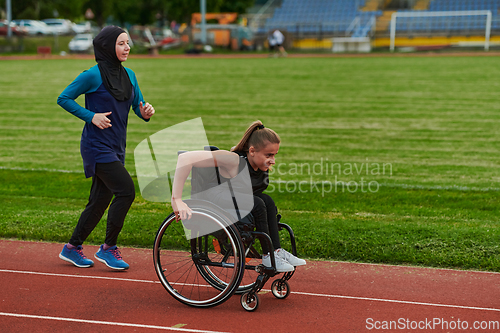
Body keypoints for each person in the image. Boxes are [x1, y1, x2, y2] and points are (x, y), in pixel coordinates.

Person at [57, 26, 155, 270]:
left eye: (128, 43)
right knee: (126, 190)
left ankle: (71, 248)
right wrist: (91, 116)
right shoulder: (92, 75)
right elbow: (64, 98)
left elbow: (137, 105)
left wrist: (145, 112)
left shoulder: (130, 75)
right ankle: (108, 248)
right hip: (96, 146)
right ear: (107, 46)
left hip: (117, 146)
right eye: (121, 43)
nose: (127, 47)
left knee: (99, 201)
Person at [172, 121, 306, 272]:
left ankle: (276, 251)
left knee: (267, 201)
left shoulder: (259, 165)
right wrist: (176, 199)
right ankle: (268, 256)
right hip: (212, 197)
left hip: (231, 198)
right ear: (252, 151)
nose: (273, 160)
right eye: (269, 155)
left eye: (274, 155)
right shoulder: (233, 160)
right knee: (257, 203)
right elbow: (185, 159)